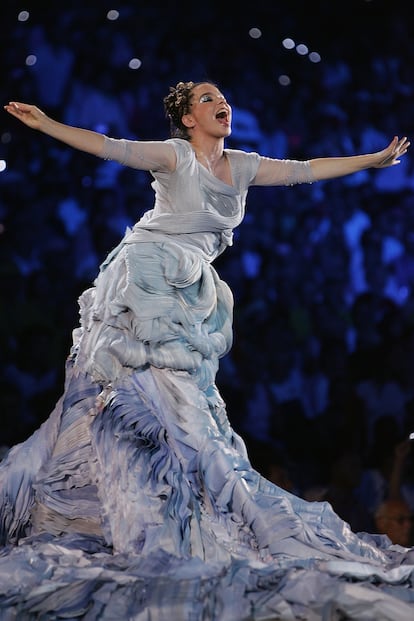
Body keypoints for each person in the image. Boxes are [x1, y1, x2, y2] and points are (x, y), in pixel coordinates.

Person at [1, 81, 413, 620]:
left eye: (224, 99)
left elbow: (305, 169)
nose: (222, 105)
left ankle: (141, 512)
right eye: (207, 99)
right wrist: (46, 124)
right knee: (160, 408)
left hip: (190, 288)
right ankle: (147, 517)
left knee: (174, 413)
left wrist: (373, 161)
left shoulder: (240, 165)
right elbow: (108, 145)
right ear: (188, 119)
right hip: (148, 278)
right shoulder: (174, 156)